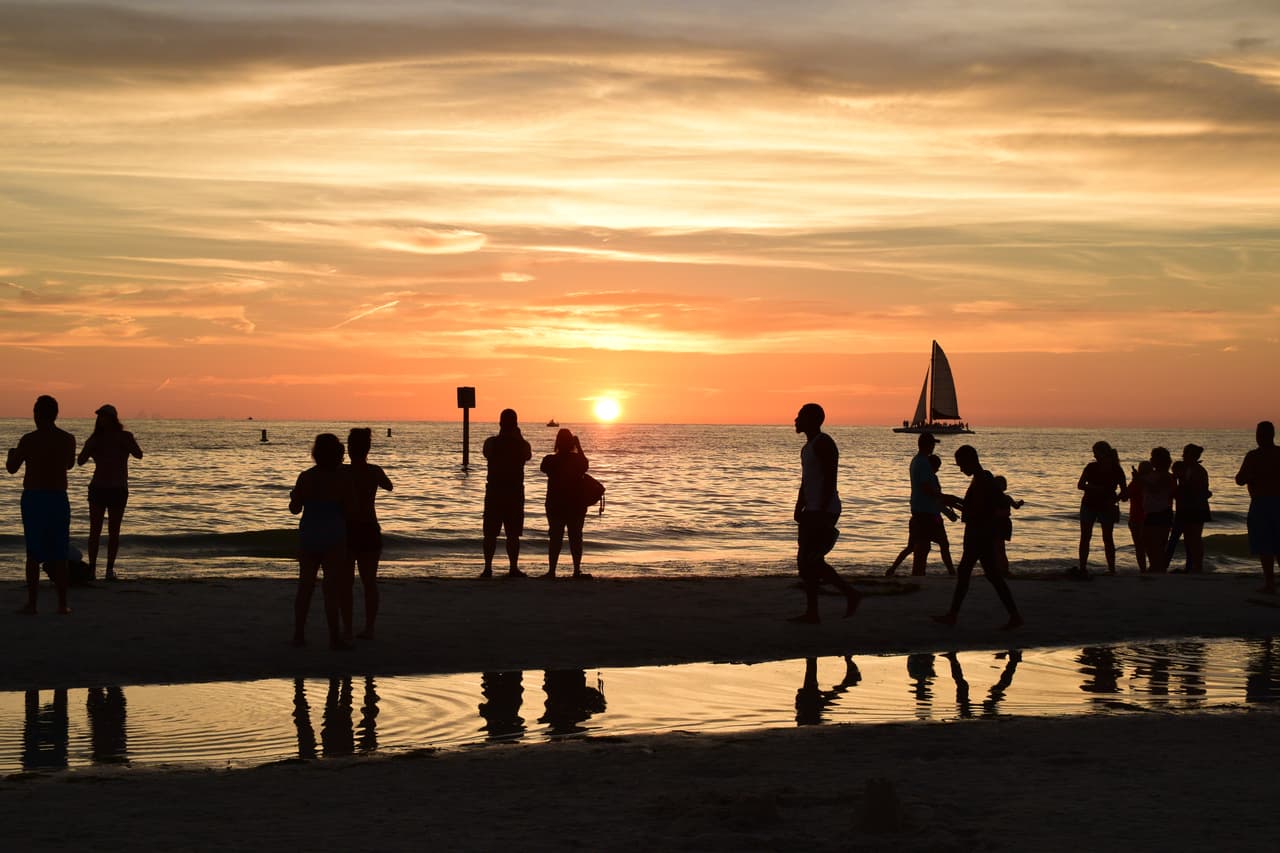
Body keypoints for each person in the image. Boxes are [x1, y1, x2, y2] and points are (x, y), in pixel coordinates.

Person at [932, 445, 1022, 630]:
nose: (960, 469)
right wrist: (954, 500)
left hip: (978, 534)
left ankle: (953, 615)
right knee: (991, 576)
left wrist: (953, 501)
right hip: (982, 533)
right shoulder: (983, 478)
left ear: (970, 461)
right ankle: (1014, 616)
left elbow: (975, 511)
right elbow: (976, 507)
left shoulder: (981, 480)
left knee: (967, 572)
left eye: (961, 465)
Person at [789, 403, 861, 623]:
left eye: (800, 416)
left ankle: (847, 594)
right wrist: (798, 505)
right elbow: (806, 480)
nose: (795, 419)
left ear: (812, 420)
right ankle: (816, 610)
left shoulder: (824, 443)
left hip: (823, 509)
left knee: (810, 559)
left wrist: (821, 510)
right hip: (811, 508)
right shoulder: (807, 447)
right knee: (807, 562)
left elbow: (831, 478)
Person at [6, 395, 76, 615]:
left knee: (33, 552)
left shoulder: (28, 440)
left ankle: (32, 604)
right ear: (55, 414)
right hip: (57, 497)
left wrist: (11, 455)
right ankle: (62, 604)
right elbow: (70, 464)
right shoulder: (67, 439)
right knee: (59, 552)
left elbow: (12, 468)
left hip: (34, 498)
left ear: (37, 414)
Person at [289, 433, 353, 649]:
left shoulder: (306, 477)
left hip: (310, 536)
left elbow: (294, 509)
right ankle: (334, 638)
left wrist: (295, 496)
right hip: (334, 536)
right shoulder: (342, 478)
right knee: (331, 589)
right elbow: (349, 509)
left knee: (305, 587)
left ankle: (299, 635)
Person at [76, 404, 143, 582]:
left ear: (113, 419)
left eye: (104, 416)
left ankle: (109, 569)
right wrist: (90, 446)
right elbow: (80, 461)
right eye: (99, 417)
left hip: (117, 488)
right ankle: (91, 569)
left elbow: (138, 454)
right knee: (94, 531)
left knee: (114, 531)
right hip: (99, 487)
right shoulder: (95, 438)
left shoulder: (125, 436)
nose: (100, 419)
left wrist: (125, 443)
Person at [345, 428, 393, 639]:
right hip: (369, 528)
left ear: (349, 448)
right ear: (368, 449)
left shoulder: (342, 472)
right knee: (369, 582)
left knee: (345, 582)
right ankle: (369, 627)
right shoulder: (373, 471)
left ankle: (346, 627)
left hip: (347, 529)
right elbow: (389, 486)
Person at [889, 434, 958, 577]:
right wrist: (944, 499)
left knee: (925, 546)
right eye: (932, 444)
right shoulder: (922, 463)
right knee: (926, 547)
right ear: (927, 445)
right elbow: (926, 488)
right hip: (927, 513)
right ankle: (923, 575)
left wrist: (945, 506)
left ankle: (937, 573)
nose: (933, 447)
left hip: (925, 512)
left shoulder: (918, 461)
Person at [481, 409, 533, 579]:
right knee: (513, 534)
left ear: (500, 423)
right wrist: (518, 438)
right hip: (513, 492)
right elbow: (528, 455)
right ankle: (513, 568)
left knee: (490, 533)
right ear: (516, 424)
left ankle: (488, 568)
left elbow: (486, 453)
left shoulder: (491, 442)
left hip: (495, 491)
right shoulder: (521, 444)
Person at [540, 428, 591, 579]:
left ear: (557, 442)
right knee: (575, 537)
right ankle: (576, 570)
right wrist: (579, 446)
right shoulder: (577, 460)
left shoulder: (550, 460)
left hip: (555, 504)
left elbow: (543, 468)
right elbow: (585, 465)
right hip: (575, 505)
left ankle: (552, 571)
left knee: (555, 538)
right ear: (571, 443)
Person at [1236, 421, 1280, 594]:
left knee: (1265, 544)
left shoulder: (1254, 456)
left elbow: (1239, 479)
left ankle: (1270, 583)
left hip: (1262, 502)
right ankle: (1270, 583)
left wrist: (1255, 476)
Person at [1075, 440, 1127, 578]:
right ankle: (1083, 567)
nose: (1095, 456)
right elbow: (1080, 485)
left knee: (1106, 537)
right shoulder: (1092, 467)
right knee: (1087, 536)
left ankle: (1111, 568)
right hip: (1089, 504)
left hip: (1104, 506)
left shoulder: (1116, 469)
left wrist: (1113, 501)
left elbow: (1124, 491)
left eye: (1096, 453)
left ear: (1103, 453)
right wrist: (1093, 488)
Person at [1175, 444, 1211, 574]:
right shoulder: (1188, 469)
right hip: (1190, 507)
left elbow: (1196, 489)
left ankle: (1197, 567)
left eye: (1185, 453)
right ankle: (1191, 566)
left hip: (1196, 507)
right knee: (1189, 538)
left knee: (1194, 537)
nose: (1183, 455)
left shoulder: (1198, 471)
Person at [1140, 447, 1176, 573]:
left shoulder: (1167, 476)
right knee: (1147, 541)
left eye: (1153, 457)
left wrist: (1142, 480)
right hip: (1151, 512)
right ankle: (1155, 565)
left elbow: (1156, 488)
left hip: (1162, 512)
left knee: (1158, 543)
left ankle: (1158, 567)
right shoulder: (1153, 474)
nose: (1151, 460)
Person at [992, 475, 1024, 577]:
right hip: (1005, 523)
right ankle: (1002, 569)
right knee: (999, 548)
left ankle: (1002, 570)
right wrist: (1020, 503)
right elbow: (1016, 506)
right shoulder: (1007, 498)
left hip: (998, 524)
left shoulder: (993, 498)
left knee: (998, 548)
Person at [1128, 460, 1151, 572]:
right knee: (1147, 546)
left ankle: (1144, 569)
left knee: (1140, 546)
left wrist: (1135, 480)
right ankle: (1149, 568)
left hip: (1139, 517)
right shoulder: (1148, 482)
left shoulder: (1138, 482)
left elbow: (1125, 496)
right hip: (1142, 517)